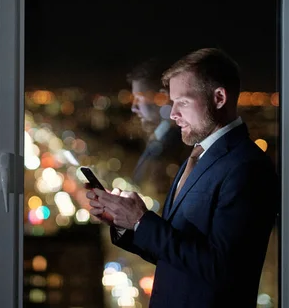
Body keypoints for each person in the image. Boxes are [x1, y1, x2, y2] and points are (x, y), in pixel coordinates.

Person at [86, 48, 278, 307]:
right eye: (172, 102)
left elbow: (222, 269)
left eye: (183, 102)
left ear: (219, 97)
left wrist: (142, 220)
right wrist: (125, 222)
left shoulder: (247, 167)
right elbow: (175, 254)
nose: (173, 114)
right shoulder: (198, 156)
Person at [126, 58, 188, 194]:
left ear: (162, 97)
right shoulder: (158, 138)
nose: (134, 108)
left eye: (139, 98)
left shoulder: (181, 147)